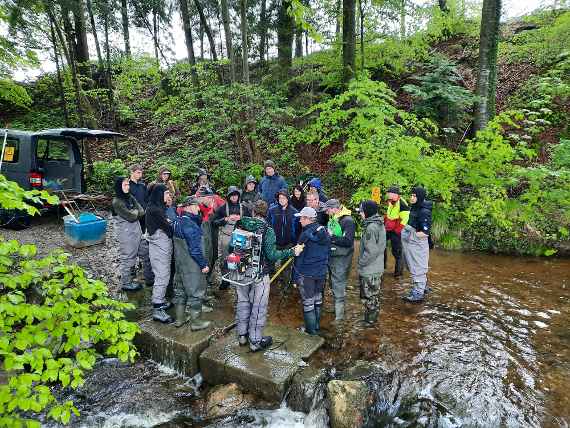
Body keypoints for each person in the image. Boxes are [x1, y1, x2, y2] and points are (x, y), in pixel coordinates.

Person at [234, 200, 304, 351]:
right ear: (267, 214)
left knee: (243, 301)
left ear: (253, 212)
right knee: (258, 306)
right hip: (259, 273)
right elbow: (272, 256)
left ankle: (242, 335)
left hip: (240, 269)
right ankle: (255, 341)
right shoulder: (268, 230)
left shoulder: (240, 223)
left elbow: (231, 246)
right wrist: (292, 251)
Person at [172, 196, 212, 330]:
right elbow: (195, 249)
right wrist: (203, 264)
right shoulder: (190, 225)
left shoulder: (177, 220)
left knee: (180, 290)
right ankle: (196, 322)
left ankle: (180, 319)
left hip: (179, 263)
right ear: (188, 206)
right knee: (196, 291)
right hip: (192, 264)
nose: (198, 209)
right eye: (196, 206)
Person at [293, 207, 331, 335]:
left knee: (308, 303)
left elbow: (298, 258)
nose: (299, 221)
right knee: (318, 299)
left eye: (301, 218)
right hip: (321, 272)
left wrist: (295, 278)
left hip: (307, 273)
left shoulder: (305, 235)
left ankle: (311, 332)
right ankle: (316, 327)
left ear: (308, 219)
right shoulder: (324, 231)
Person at [213, 186, 251, 290]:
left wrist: (242, 219)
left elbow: (250, 222)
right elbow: (214, 222)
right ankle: (225, 281)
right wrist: (226, 219)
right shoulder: (222, 208)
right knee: (225, 259)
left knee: (241, 259)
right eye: (232, 195)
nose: (234, 197)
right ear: (229, 196)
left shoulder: (244, 208)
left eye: (236, 195)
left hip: (241, 237)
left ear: (238, 196)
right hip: (227, 236)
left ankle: (240, 279)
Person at [146, 184, 174, 323]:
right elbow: (168, 228)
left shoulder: (158, 207)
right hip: (159, 247)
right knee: (162, 276)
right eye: (166, 193)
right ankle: (157, 308)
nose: (168, 196)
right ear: (159, 194)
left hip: (161, 246)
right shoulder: (155, 210)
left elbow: (166, 223)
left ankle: (161, 300)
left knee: (164, 274)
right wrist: (170, 224)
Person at [325, 198, 355, 322]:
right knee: (333, 283)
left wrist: (332, 237)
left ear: (334, 209)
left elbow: (348, 241)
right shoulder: (334, 218)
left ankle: (339, 318)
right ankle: (337, 309)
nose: (326, 212)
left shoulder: (348, 221)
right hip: (332, 256)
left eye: (327, 210)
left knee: (339, 285)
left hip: (342, 258)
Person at [112, 177, 144, 292]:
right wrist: (135, 213)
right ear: (119, 186)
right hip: (125, 233)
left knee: (143, 252)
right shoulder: (117, 202)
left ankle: (135, 276)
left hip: (136, 230)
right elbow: (131, 217)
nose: (127, 187)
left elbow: (141, 211)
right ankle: (126, 283)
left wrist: (135, 212)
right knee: (127, 257)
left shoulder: (130, 197)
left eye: (128, 184)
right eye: (125, 185)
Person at [402, 186, 433, 303]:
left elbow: (425, 232)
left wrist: (411, 235)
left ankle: (418, 292)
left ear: (419, 197)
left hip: (418, 242)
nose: (411, 197)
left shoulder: (424, 211)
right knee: (411, 264)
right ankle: (422, 287)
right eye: (411, 195)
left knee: (418, 266)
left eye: (414, 196)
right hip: (412, 241)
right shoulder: (415, 207)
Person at [357, 200, 386, 325]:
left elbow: (371, 251)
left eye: (362, 211)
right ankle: (371, 320)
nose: (360, 214)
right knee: (374, 296)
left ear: (367, 212)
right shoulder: (379, 223)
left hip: (370, 270)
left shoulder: (371, 227)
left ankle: (370, 322)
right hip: (377, 267)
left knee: (369, 297)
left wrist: (361, 263)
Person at [128, 164, 153, 286]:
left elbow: (147, 199)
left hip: (144, 216)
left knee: (143, 237)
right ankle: (131, 264)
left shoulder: (143, 185)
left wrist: (147, 209)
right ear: (132, 172)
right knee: (133, 239)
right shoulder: (127, 185)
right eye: (138, 172)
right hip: (133, 217)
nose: (140, 175)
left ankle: (142, 260)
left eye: (141, 173)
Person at [384, 186, 409, 277]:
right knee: (382, 244)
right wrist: (385, 220)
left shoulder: (402, 204)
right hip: (388, 228)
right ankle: (383, 266)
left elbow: (406, 219)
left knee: (397, 251)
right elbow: (389, 213)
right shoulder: (391, 201)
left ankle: (398, 273)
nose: (388, 195)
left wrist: (398, 230)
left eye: (389, 193)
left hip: (396, 231)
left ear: (395, 194)